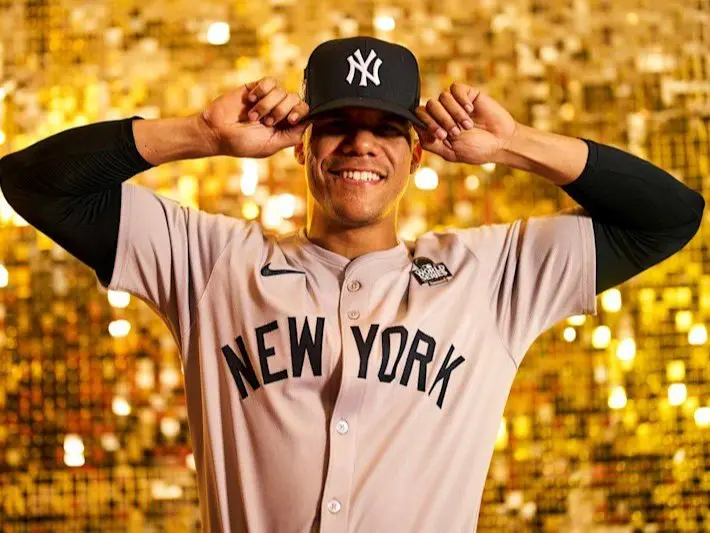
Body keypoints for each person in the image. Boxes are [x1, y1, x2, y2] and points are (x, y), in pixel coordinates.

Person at [0, 36, 704, 532]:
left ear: (417, 152)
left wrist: (512, 145)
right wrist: (198, 134)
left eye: (386, 128)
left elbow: (669, 218)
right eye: (337, 124)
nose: (360, 144)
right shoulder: (211, 263)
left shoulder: (490, 277)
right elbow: (34, 183)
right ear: (301, 144)